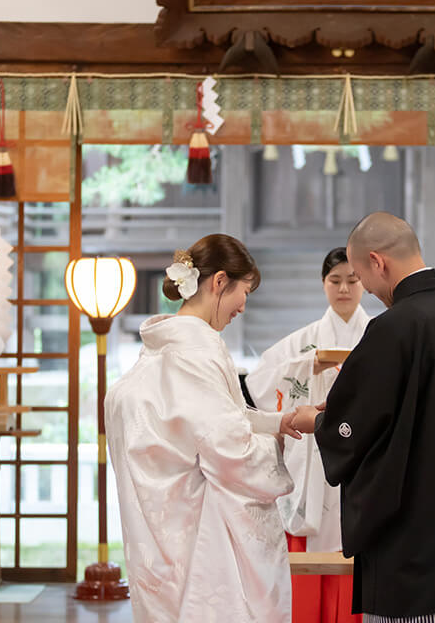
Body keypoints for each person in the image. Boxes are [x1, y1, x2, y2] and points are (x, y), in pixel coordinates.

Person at [291, 213, 435, 623]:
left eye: (359, 276)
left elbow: (351, 429)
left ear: (378, 262)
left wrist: (317, 422)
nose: (364, 289)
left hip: (418, 552)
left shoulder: (395, 327)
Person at [105, 233, 317, 623]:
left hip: (164, 523)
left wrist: (280, 422)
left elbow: (221, 415)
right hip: (199, 529)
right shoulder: (195, 353)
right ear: (219, 282)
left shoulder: (167, 346)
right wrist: (280, 446)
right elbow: (229, 448)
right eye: (245, 291)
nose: (243, 306)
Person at [246, 247, 371, 623]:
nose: (344, 288)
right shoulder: (303, 342)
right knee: (308, 551)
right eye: (335, 280)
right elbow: (259, 380)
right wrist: (310, 363)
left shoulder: (379, 335)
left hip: (362, 459)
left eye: (352, 280)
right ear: (323, 284)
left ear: (364, 282)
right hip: (312, 460)